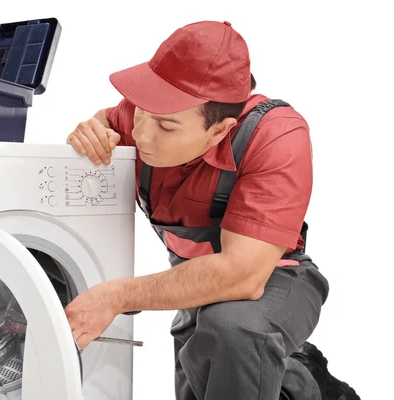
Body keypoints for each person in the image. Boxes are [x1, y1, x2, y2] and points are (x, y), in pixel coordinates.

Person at [63, 20, 359, 400]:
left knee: (232, 331)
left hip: (276, 277)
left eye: (166, 127)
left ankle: (309, 384)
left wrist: (118, 296)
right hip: (196, 287)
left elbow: (244, 274)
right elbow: (109, 119)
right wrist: (91, 129)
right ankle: (285, 375)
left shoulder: (276, 136)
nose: (140, 135)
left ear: (220, 131)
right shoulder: (144, 116)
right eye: (140, 113)